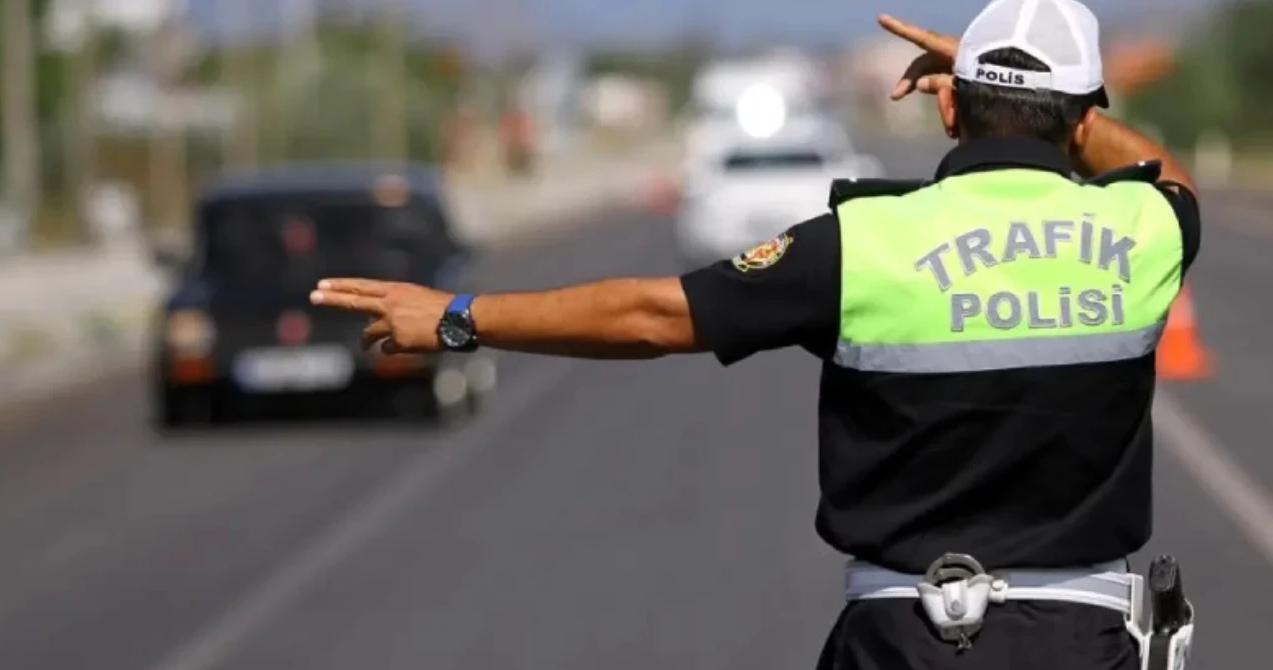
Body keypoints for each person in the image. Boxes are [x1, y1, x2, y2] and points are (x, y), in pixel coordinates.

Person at [309, 1, 1200, 668]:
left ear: (948, 110)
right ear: (1083, 120)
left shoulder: (860, 243)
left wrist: (459, 317)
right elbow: (1162, 173)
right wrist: (1032, 98)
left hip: (905, 640)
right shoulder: (1145, 230)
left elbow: (652, 315)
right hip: (1084, 641)